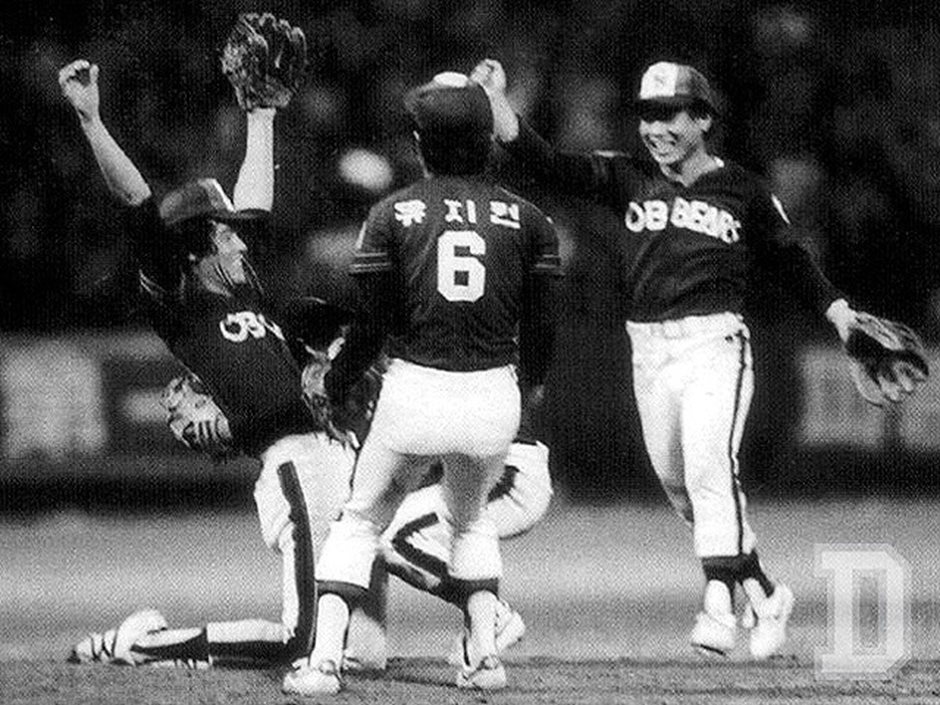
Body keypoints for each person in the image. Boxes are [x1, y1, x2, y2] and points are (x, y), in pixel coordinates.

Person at [471, 57, 868, 661]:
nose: (655, 129)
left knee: (711, 472)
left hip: (715, 346)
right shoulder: (627, 177)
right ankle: (765, 593)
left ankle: (718, 604)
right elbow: (544, 161)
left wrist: (839, 314)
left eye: (670, 116)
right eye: (647, 117)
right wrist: (498, 100)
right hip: (649, 352)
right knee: (685, 493)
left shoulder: (742, 190)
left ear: (704, 119)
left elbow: (791, 259)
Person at [58, 55, 387, 671]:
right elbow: (137, 202)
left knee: (363, 650)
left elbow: (254, 206)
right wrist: (92, 121)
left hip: (331, 459)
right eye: (225, 233)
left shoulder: (248, 294)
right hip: (294, 465)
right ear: (196, 247)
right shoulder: (182, 305)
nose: (240, 240)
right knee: (300, 643)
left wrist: (261, 117)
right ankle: (140, 643)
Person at [282, 71, 562, 695]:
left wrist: (337, 378)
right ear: (488, 142)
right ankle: (485, 658)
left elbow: (374, 323)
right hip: (493, 393)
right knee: (470, 523)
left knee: (359, 521)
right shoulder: (531, 220)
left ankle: (323, 664)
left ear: (419, 143)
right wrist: (534, 383)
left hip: (416, 388)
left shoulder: (392, 214)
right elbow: (543, 323)